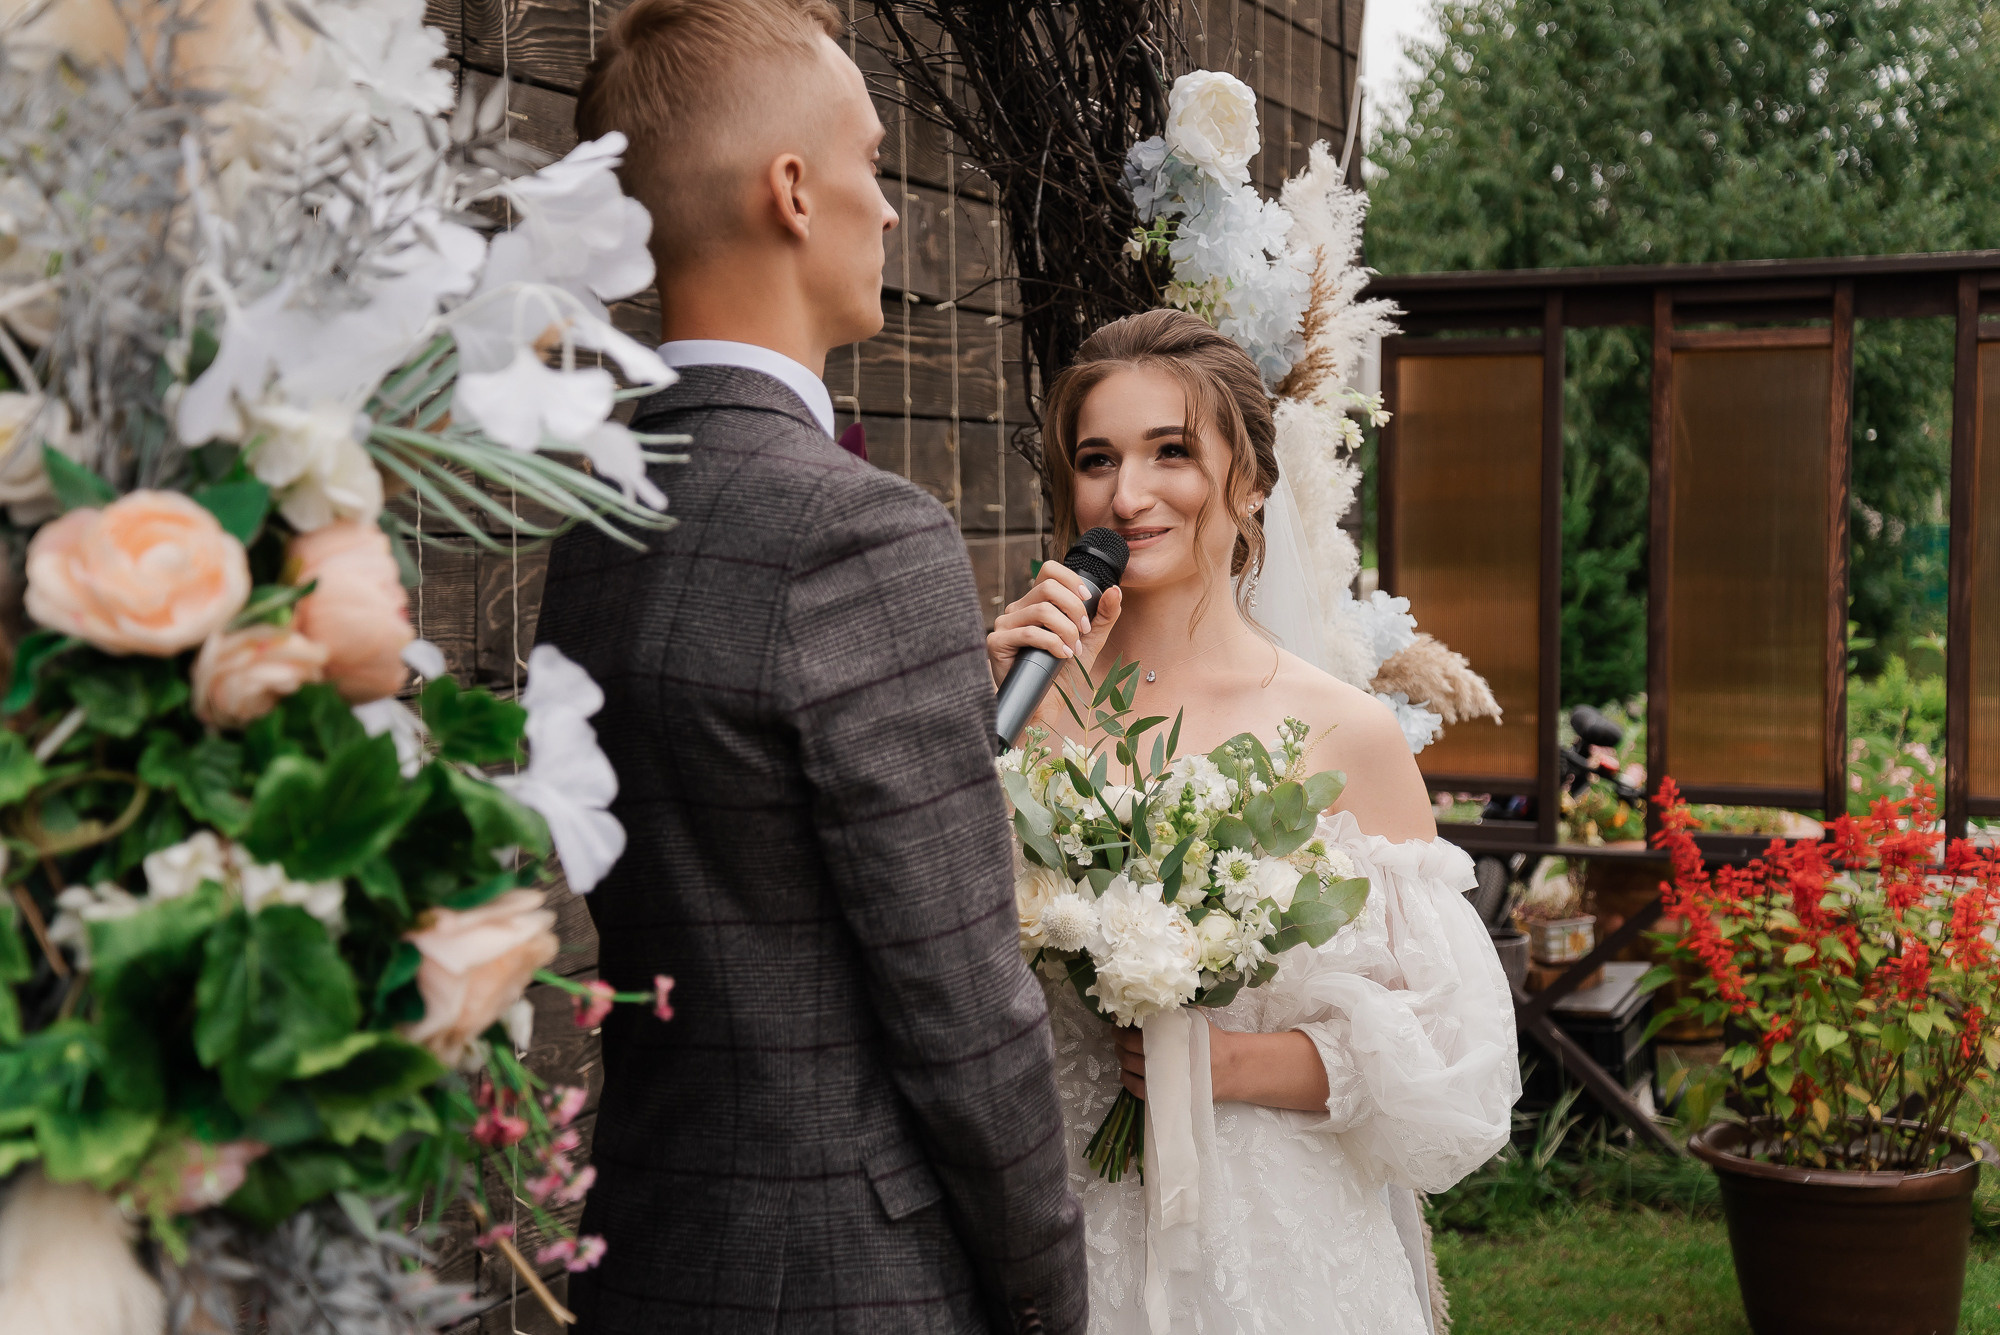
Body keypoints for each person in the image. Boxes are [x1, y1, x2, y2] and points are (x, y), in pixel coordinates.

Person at [537, 3, 1088, 1331]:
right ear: (792, 190)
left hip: (650, 1244)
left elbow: (747, 852)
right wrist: (1052, 1298)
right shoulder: (861, 533)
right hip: (848, 1274)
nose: (890, 211)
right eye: (873, 163)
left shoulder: (594, 529)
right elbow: (965, 1017)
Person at [987, 310, 1518, 1335]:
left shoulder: (1342, 731)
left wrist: (1226, 1063)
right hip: (1057, 1220)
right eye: (1096, 459)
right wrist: (995, 713)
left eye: (1170, 452)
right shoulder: (1021, 700)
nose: (1126, 494)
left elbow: (1456, 1051)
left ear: (1251, 483)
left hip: (1270, 1243)